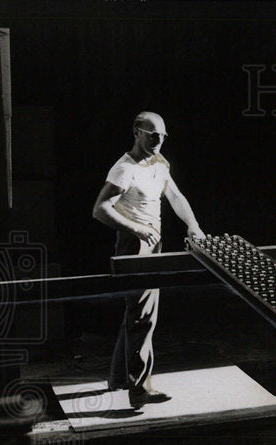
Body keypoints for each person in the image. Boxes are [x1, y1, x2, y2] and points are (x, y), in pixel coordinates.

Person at [92, 111, 205, 409]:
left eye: (163, 136)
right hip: (134, 244)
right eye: (152, 135)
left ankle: (118, 379)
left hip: (151, 242)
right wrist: (137, 228)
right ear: (136, 132)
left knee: (138, 311)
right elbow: (100, 209)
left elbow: (176, 197)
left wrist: (193, 225)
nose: (158, 141)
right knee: (143, 316)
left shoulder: (158, 163)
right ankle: (140, 387)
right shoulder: (124, 169)